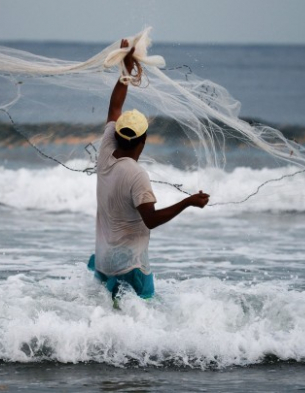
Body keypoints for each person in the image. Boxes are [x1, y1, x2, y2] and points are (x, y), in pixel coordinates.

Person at [88, 38, 210, 302]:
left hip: (103, 261)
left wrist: (126, 70)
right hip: (130, 267)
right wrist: (188, 202)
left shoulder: (107, 149)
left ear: (118, 135)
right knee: (140, 322)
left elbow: (114, 107)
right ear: (144, 141)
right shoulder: (136, 174)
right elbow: (151, 220)